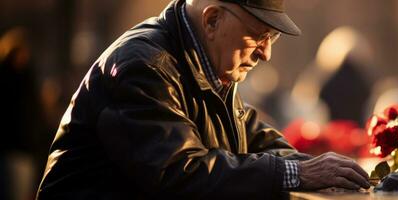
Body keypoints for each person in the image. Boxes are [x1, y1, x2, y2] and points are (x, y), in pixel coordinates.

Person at [36, 0, 370, 199]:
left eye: (273, 39)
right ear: (211, 20)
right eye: (260, 36)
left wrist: (335, 174)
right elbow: (179, 173)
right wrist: (295, 174)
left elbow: (258, 143)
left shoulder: (207, 66)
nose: (266, 53)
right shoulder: (144, 65)